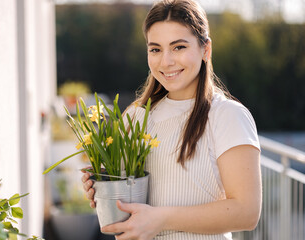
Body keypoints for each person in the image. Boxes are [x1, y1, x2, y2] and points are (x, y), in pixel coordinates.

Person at [81, 0, 262, 239]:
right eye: (155, 49)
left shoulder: (227, 116)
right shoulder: (135, 117)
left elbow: (246, 213)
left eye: (178, 47)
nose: (166, 61)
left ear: (205, 50)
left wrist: (161, 219)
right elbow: (125, 207)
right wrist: (103, 185)